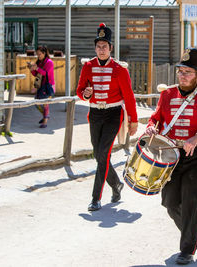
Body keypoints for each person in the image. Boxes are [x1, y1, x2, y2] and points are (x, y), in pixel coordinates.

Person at [146, 48, 197, 265]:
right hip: (172, 154)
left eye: (188, 72)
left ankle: (188, 248)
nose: (182, 76)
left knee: (192, 201)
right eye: (180, 71)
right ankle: (191, 229)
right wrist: (152, 127)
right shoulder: (167, 94)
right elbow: (156, 118)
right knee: (169, 202)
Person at [76, 23, 138, 211]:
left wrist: (133, 120)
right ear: (95, 48)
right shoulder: (88, 66)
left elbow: (129, 96)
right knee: (98, 154)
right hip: (95, 113)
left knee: (103, 153)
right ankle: (116, 184)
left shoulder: (120, 69)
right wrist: (86, 94)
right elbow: (79, 91)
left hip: (113, 114)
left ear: (110, 48)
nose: (101, 50)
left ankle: (96, 198)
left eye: (105, 46)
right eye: (98, 46)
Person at [28, 45, 55, 128]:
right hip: (41, 85)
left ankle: (45, 121)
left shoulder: (49, 62)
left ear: (44, 53)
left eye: (39, 54)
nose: (38, 56)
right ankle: (45, 115)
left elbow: (45, 73)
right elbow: (36, 74)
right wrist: (32, 69)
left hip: (48, 86)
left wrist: (36, 68)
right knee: (36, 102)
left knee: (45, 103)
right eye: (37, 54)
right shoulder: (39, 62)